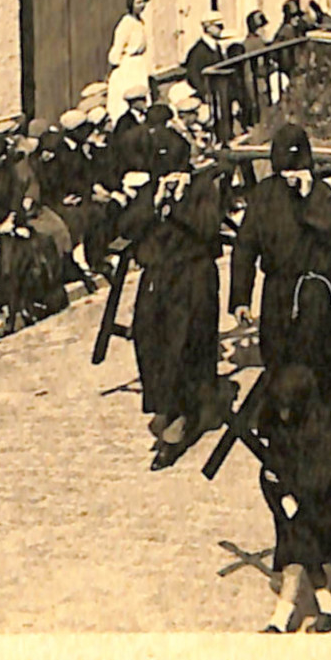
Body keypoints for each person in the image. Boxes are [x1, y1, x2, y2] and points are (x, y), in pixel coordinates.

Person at [116, 125, 231, 469]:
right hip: (159, 278)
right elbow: (126, 226)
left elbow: (209, 227)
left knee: (187, 344)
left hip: (193, 276)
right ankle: (168, 404)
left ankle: (183, 419)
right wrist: (154, 203)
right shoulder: (151, 191)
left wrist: (179, 204)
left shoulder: (201, 188)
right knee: (151, 340)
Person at [229, 125, 331, 406]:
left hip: (318, 292)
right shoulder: (263, 196)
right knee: (279, 359)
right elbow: (245, 247)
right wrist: (240, 299)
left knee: (322, 362)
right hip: (279, 293)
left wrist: (309, 198)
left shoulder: (321, 192)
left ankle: (325, 410)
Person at [255, 364, 331, 635]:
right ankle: (327, 608)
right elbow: (274, 461)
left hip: (324, 501)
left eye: (289, 407)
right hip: (290, 501)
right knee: (300, 546)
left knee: (297, 547)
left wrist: (299, 495)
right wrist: (278, 488)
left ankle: (281, 618)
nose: (284, 414)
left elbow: (328, 476)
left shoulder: (322, 430)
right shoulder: (280, 421)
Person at [107, 0, 152, 120]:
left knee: (142, 95)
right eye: (138, 3)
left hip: (139, 65)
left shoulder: (140, 22)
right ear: (131, 4)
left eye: (144, 2)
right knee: (129, 97)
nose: (142, 6)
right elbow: (117, 48)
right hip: (128, 66)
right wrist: (119, 65)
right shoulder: (126, 23)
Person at [183, 11, 227, 100]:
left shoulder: (216, 47)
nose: (221, 29)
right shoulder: (198, 51)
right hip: (207, 98)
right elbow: (193, 76)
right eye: (218, 26)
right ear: (208, 27)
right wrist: (205, 92)